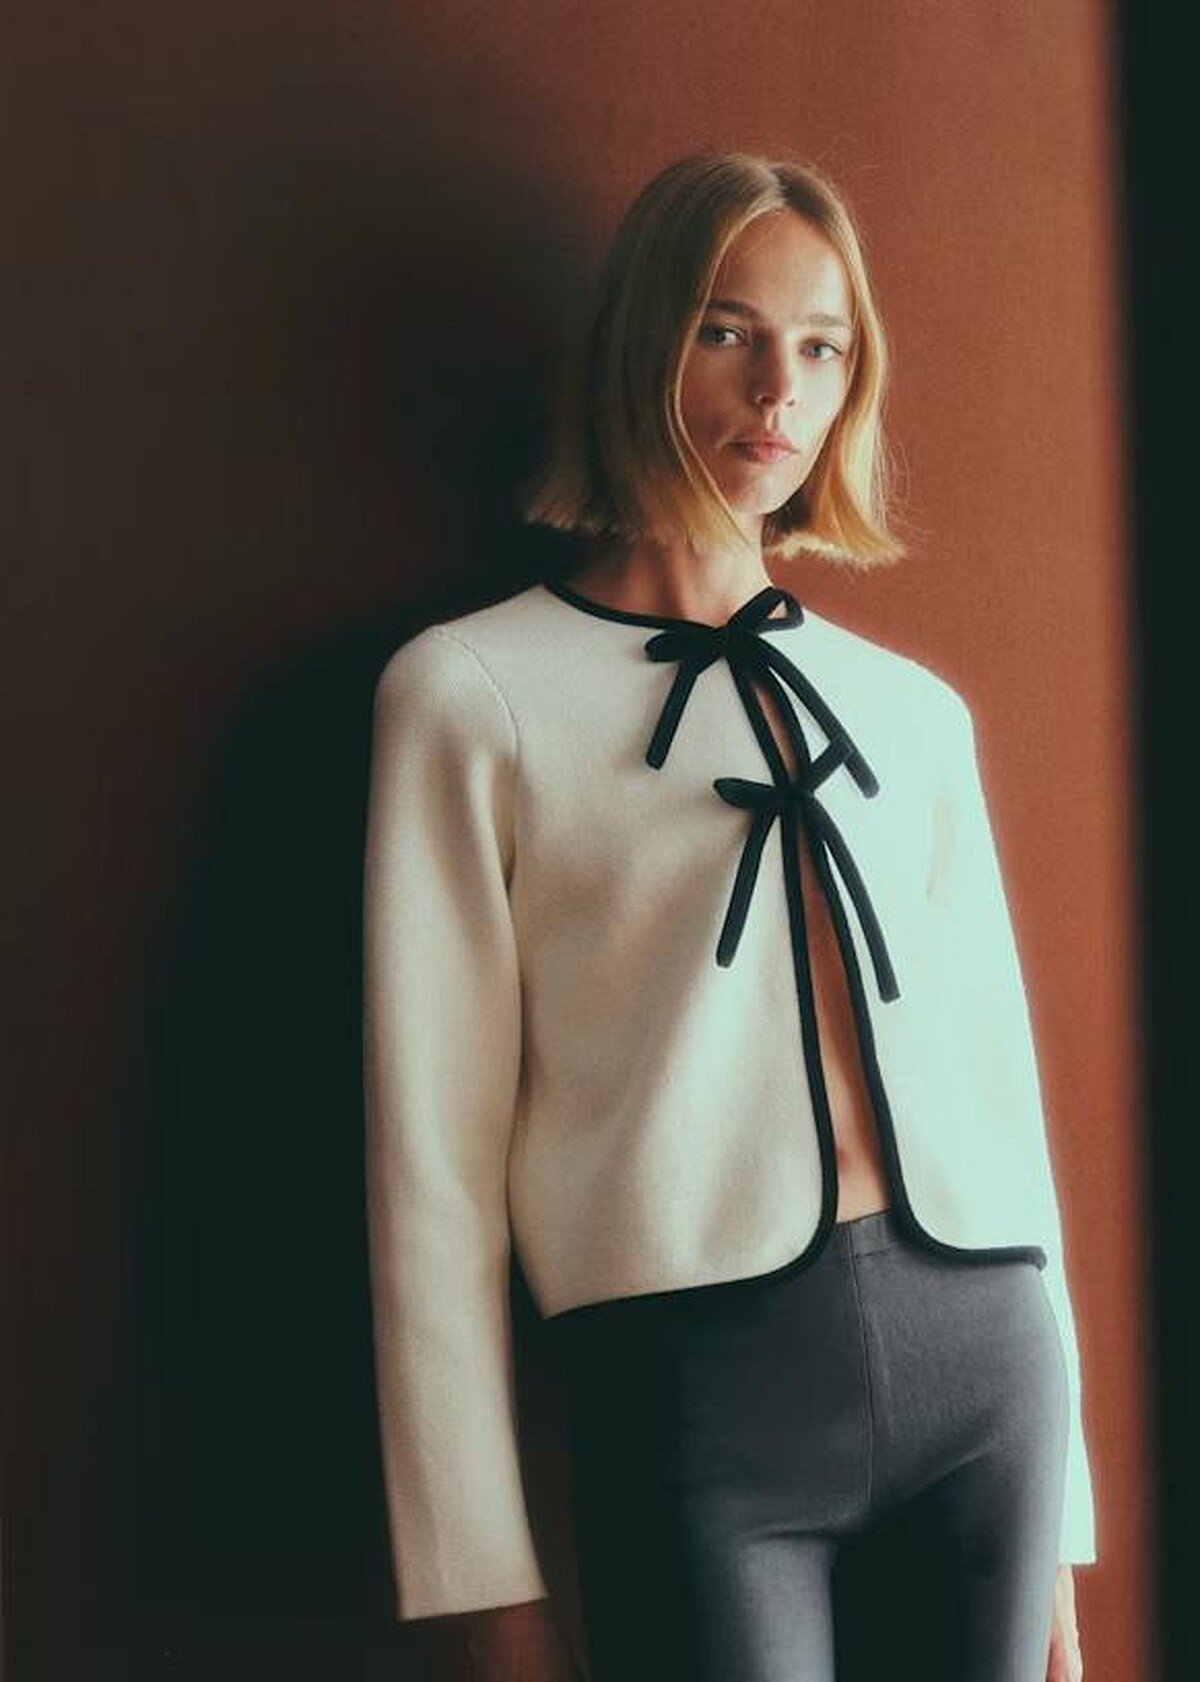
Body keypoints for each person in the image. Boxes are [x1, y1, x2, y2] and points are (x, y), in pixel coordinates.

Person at [362, 152, 1095, 1682]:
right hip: (697, 1397)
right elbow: (429, 1170)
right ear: (646, 339)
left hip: (988, 1375)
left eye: (822, 346)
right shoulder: (471, 696)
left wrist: (1067, 1526)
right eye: (729, 330)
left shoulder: (914, 713)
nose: (780, 390)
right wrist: (485, 1577)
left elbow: (1001, 1106)